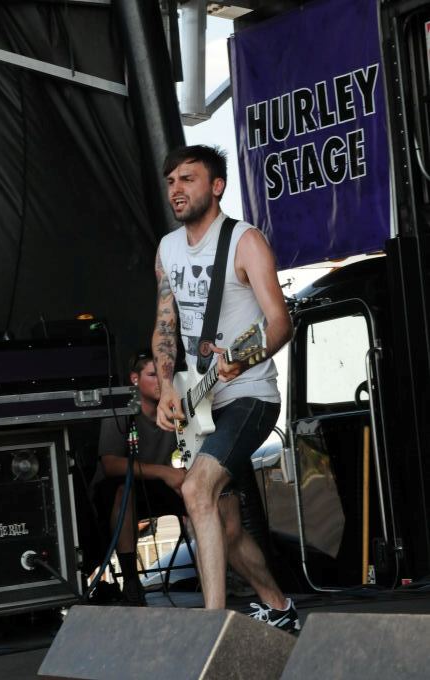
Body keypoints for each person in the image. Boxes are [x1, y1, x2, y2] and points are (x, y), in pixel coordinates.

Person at [152, 144, 300, 632]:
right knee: (226, 526)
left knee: (196, 489)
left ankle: (211, 628)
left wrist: (242, 358)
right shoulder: (167, 249)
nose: (176, 189)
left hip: (250, 394)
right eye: (171, 180)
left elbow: (280, 322)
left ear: (216, 186)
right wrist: (168, 387)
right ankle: (278, 606)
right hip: (201, 399)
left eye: (187, 178)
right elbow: (165, 326)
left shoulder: (245, 241)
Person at [93, 351, 186, 606]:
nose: (161, 382)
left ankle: (219, 569)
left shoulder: (176, 406)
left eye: (165, 375)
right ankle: (131, 582)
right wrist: (165, 472)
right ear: (135, 379)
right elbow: (110, 464)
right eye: (152, 375)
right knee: (123, 491)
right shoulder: (120, 408)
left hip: (158, 485)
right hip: (119, 490)